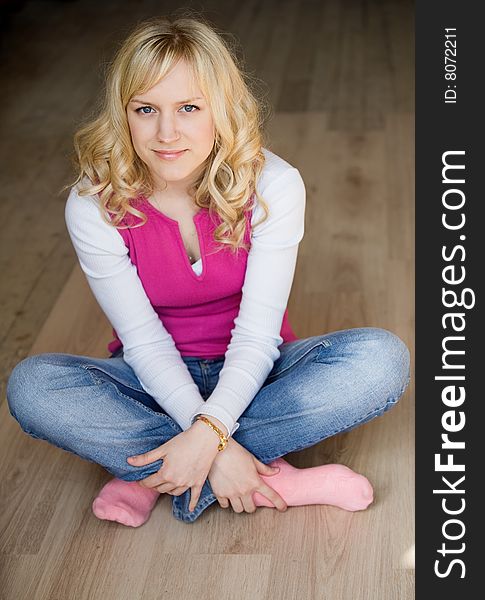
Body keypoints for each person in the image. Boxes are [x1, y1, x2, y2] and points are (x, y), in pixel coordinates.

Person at [6, 14, 410, 526]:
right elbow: (144, 342)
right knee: (32, 386)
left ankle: (149, 472)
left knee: (380, 360)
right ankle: (266, 477)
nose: (166, 133)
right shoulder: (93, 204)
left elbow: (258, 335)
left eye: (189, 108)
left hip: (261, 370)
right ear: (122, 115)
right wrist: (215, 445)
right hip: (149, 376)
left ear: (220, 110)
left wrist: (208, 432)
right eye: (146, 109)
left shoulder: (274, 185)